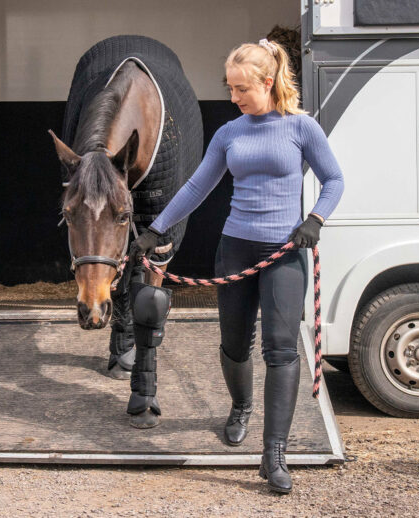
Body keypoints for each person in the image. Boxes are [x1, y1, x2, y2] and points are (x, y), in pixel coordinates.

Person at [131, 39, 344, 493]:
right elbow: (196, 187)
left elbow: (334, 180)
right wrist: (158, 229)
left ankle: (274, 454)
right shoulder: (230, 133)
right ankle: (241, 406)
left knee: (282, 349)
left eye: (241, 88)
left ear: (267, 82)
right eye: (229, 88)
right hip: (235, 247)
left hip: (284, 251)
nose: (234, 97)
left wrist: (315, 219)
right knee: (233, 344)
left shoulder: (301, 128)